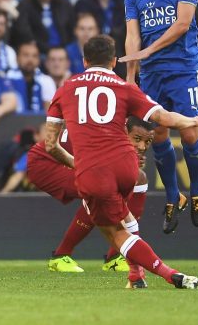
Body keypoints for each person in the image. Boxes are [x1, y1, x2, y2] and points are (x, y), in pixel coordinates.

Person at [44, 34, 198, 289]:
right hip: (127, 166)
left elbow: (51, 145)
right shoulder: (125, 87)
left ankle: (170, 274)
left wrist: (78, 165)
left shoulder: (66, 88)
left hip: (95, 171)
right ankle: (135, 275)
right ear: (113, 61)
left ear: (85, 61)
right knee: (124, 214)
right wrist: (194, 121)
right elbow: (164, 118)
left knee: (114, 232)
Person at [121, 0, 198, 234]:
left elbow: (183, 24)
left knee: (189, 133)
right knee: (156, 135)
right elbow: (133, 36)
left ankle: (197, 192)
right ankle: (174, 197)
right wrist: (131, 76)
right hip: (152, 74)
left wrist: (150, 49)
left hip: (184, 67)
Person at [29, 116, 154, 275]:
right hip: (45, 163)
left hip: (71, 160)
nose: (142, 146)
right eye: (137, 139)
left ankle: (115, 257)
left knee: (139, 178)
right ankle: (61, 256)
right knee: (97, 190)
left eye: (147, 141)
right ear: (124, 131)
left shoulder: (116, 133)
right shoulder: (108, 136)